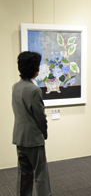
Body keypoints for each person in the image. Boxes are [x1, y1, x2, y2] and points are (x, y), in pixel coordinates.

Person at [12, 51, 52, 195]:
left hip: (19, 137)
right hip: (34, 139)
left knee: (23, 174)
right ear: (33, 68)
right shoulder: (34, 90)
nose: (39, 69)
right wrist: (44, 133)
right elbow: (40, 117)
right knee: (41, 174)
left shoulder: (15, 87)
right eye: (38, 66)